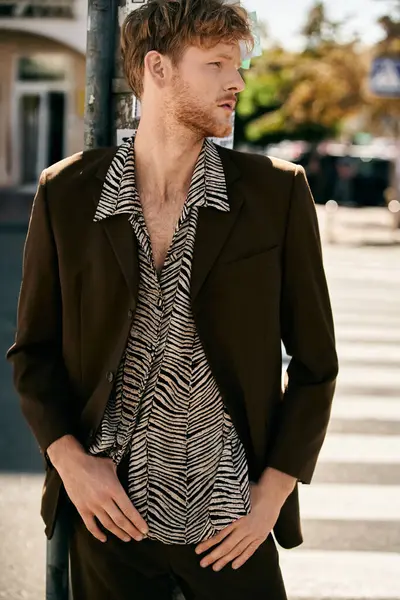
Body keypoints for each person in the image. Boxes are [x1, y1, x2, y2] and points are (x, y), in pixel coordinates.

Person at [7, 0, 338, 598]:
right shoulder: (69, 193)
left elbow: (317, 365)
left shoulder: (275, 193)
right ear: (157, 69)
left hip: (233, 522)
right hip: (111, 525)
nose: (236, 81)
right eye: (216, 64)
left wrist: (272, 495)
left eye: (238, 65)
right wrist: (71, 463)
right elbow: (32, 353)